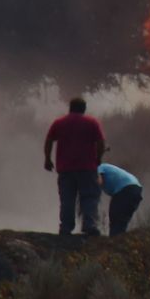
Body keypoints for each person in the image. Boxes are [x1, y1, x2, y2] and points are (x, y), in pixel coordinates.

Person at [44, 96, 107, 236]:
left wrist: (47, 159)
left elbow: (49, 141)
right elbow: (101, 143)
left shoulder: (59, 123)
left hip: (65, 169)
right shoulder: (92, 123)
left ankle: (66, 228)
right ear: (84, 109)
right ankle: (89, 225)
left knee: (67, 199)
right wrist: (98, 159)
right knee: (89, 197)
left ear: (70, 108)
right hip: (87, 168)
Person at [98, 163, 143, 237]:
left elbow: (98, 181)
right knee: (121, 220)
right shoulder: (106, 168)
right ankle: (118, 240)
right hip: (136, 189)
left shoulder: (99, 167)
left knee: (116, 218)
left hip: (125, 189)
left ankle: (114, 240)